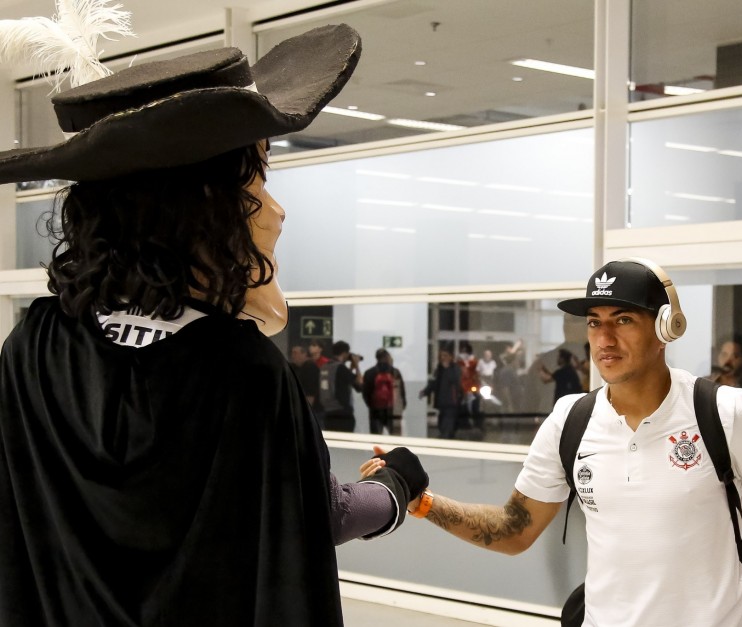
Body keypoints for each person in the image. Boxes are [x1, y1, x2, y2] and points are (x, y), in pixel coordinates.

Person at [0, 21, 430, 626]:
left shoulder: (33, 347)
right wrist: (394, 489)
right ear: (204, 208)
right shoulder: (243, 372)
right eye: (256, 177)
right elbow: (313, 514)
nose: (275, 210)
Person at [371, 259, 742, 626]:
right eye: (595, 322)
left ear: (666, 328)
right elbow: (515, 530)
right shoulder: (570, 419)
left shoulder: (726, 412)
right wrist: (424, 502)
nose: (604, 339)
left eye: (623, 319)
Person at [319, 340, 364, 432]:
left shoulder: (325, 366)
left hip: (328, 412)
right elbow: (359, 384)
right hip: (342, 413)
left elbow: (343, 380)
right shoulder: (340, 367)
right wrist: (356, 365)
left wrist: (350, 368)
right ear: (344, 353)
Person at [419, 346, 463, 439]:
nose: (443, 358)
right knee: (441, 423)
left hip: (451, 402)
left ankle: (446, 439)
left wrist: (447, 369)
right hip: (441, 402)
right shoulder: (439, 369)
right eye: (441, 356)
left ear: (451, 357)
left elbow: (456, 381)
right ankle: (446, 437)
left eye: (445, 355)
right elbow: (433, 383)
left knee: (448, 424)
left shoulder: (455, 369)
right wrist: (425, 391)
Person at [363, 348, 403, 435]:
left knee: (376, 439)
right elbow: (401, 393)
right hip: (393, 412)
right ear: (387, 357)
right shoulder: (395, 372)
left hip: (376, 411)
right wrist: (400, 408)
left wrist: (371, 406)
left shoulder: (369, 372)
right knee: (395, 440)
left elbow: (366, 393)